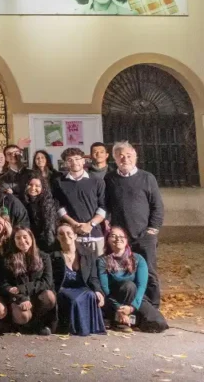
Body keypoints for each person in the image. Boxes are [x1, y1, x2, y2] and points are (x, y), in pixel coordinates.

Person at [104, 141, 163, 306]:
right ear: (115, 158)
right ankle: (127, 305)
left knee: (149, 272)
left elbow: (157, 205)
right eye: (120, 156)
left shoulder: (147, 178)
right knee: (122, 271)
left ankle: (152, 306)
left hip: (144, 235)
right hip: (120, 238)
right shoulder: (110, 178)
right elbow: (106, 204)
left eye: (128, 155)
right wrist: (108, 224)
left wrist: (153, 229)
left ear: (135, 157)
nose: (125, 159)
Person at [97, 226, 168, 332]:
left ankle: (133, 320)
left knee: (159, 323)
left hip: (135, 299)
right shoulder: (102, 261)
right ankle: (119, 321)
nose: (118, 239)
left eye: (122, 236)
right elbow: (105, 289)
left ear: (126, 240)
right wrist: (119, 308)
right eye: (113, 236)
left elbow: (141, 286)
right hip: (113, 300)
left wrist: (131, 308)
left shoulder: (138, 259)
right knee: (128, 285)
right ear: (107, 239)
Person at [51, 222, 106, 336]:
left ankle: (90, 328)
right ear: (57, 237)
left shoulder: (88, 254)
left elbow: (93, 277)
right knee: (74, 300)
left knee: (91, 295)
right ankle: (74, 329)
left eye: (69, 233)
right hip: (63, 289)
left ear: (75, 235)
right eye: (61, 234)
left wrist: (98, 290)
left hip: (82, 288)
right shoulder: (53, 256)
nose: (65, 236)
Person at [1, 227, 56, 335]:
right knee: (23, 316)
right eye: (18, 238)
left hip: (37, 296)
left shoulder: (44, 257)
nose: (22, 241)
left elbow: (47, 281)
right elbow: (4, 283)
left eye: (25, 237)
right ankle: (22, 326)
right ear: (14, 241)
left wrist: (24, 288)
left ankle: (38, 324)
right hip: (17, 297)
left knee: (49, 296)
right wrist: (22, 297)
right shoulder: (8, 258)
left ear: (31, 238)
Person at [53, 148, 107, 256]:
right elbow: (58, 207)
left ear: (83, 161)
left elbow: (104, 206)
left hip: (95, 234)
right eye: (70, 160)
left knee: (98, 268)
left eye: (77, 159)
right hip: (72, 236)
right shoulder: (59, 182)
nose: (74, 162)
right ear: (65, 163)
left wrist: (91, 224)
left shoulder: (97, 181)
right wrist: (74, 224)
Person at [24, 177, 59, 252]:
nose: (33, 188)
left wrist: (50, 248)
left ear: (43, 188)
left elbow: (49, 226)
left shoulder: (47, 203)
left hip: (44, 241)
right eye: (30, 184)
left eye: (37, 186)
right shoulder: (25, 200)